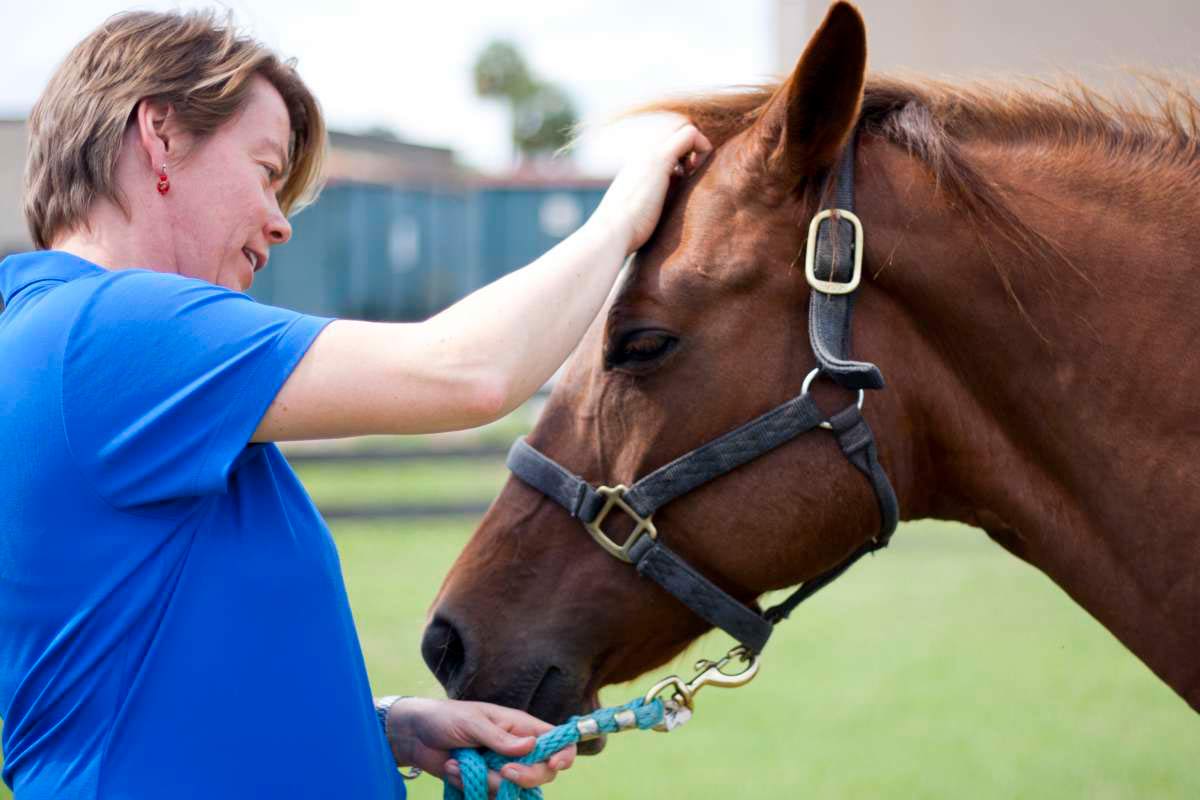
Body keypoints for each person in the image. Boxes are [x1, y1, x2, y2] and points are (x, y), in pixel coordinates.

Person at [0, 9, 711, 800]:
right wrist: (626, 210)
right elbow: (467, 371)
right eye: (266, 171)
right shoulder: (109, 331)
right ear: (160, 135)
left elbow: (136, 680)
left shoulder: (74, 348)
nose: (278, 224)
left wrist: (387, 724)